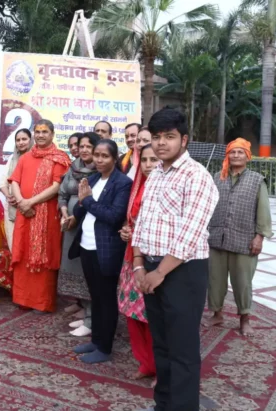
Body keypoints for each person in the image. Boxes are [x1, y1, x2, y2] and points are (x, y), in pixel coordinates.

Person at [132, 108, 219, 411]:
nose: (161, 144)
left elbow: (190, 233)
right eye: (156, 137)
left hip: (184, 272)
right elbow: (142, 222)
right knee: (162, 345)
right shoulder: (156, 174)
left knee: (182, 350)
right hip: (152, 267)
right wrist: (140, 265)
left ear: (184, 140)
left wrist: (159, 274)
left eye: (169, 137)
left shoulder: (197, 177)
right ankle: (163, 404)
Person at [68, 140, 131, 363]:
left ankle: (105, 348)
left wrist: (88, 201)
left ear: (115, 159)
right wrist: (81, 201)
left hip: (106, 248)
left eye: (105, 156)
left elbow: (114, 216)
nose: (99, 159)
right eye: (97, 155)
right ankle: (95, 340)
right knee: (94, 296)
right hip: (86, 245)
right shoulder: (92, 178)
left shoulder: (123, 183)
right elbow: (80, 208)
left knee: (106, 299)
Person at [207, 138, 272, 337]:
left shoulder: (256, 180)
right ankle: (217, 314)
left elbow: (263, 210)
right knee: (215, 280)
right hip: (217, 237)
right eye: (232, 152)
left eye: (240, 152)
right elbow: (208, 205)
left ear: (247, 156)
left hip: (244, 239)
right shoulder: (218, 177)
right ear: (228, 155)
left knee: (242, 282)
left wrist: (259, 236)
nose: (236, 155)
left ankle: (244, 318)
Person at [8, 120, 71, 312]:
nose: (41, 135)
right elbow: (14, 181)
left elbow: (56, 186)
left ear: (52, 134)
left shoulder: (59, 158)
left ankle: (41, 302)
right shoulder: (26, 157)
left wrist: (30, 202)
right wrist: (21, 202)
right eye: (38, 131)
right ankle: (23, 298)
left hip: (46, 216)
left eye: (45, 132)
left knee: (44, 254)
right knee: (23, 252)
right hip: (24, 214)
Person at [118, 143, 160, 384]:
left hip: (153, 262)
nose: (148, 165)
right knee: (134, 315)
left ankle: (159, 367)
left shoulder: (165, 188)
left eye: (153, 160)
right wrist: (125, 229)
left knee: (152, 317)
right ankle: (145, 363)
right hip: (131, 258)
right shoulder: (137, 186)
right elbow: (131, 219)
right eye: (144, 160)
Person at [58, 132, 99, 337]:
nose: (83, 150)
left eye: (88, 146)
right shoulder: (73, 167)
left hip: (89, 225)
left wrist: (76, 216)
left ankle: (92, 320)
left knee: (88, 273)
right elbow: (63, 193)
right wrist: (65, 213)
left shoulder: (100, 171)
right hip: (70, 226)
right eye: (81, 146)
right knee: (74, 267)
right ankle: (85, 314)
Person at [0, 129, 32, 250]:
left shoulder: (37, 159)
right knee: (13, 243)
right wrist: (8, 196)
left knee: (29, 244)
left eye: (24, 139)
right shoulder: (12, 158)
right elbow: (3, 182)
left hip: (31, 206)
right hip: (13, 207)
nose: (21, 142)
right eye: (18, 140)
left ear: (31, 140)